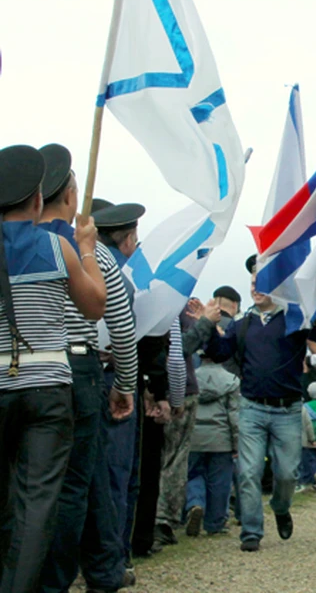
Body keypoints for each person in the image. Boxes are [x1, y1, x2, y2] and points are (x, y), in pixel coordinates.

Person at [0, 145, 106, 592]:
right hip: (48, 388)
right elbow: (94, 306)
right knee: (38, 501)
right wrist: (87, 250)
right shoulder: (56, 246)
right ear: (38, 200)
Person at [36, 144, 137, 593]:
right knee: (74, 484)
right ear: (71, 196)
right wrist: (126, 384)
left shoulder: (15, 247)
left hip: (24, 372)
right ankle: (59, 579)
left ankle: (102, 568)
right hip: (79, 369)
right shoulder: (87, 251)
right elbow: (121, 324)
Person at [190, 255, 316, 552]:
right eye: (253, 282)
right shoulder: (243, 324)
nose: (256, 287)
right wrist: (208, 325)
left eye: (263, 281)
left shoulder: (295, 317)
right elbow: (220, 352)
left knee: (287, 474)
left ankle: (281, 507)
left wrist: (315, 307)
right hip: (252, 407)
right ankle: (251, 531)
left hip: (288, 409)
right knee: (248, 472)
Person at [91, 199, 186, 562]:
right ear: (129, 239)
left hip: (67, 377)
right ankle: (114, 558)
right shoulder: (129, 280)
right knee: (120, 476)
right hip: (119, 383)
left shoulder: (73, 266)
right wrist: (151, 388)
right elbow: (159, 344)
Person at [184, 330, 240, 538]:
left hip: (194, 436)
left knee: (193, 474)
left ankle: (195, 503)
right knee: (219, 481)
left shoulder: (191, 379)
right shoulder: (231, 380)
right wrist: (237, 443)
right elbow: (234, 416)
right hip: (220, 438)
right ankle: (215, 522)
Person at [154, 307, 202, 549]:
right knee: (175, 459)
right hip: (179, 391)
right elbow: (178, 353)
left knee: (153, 458)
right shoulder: (176, 308)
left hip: (147, 387)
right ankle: (164, 520)